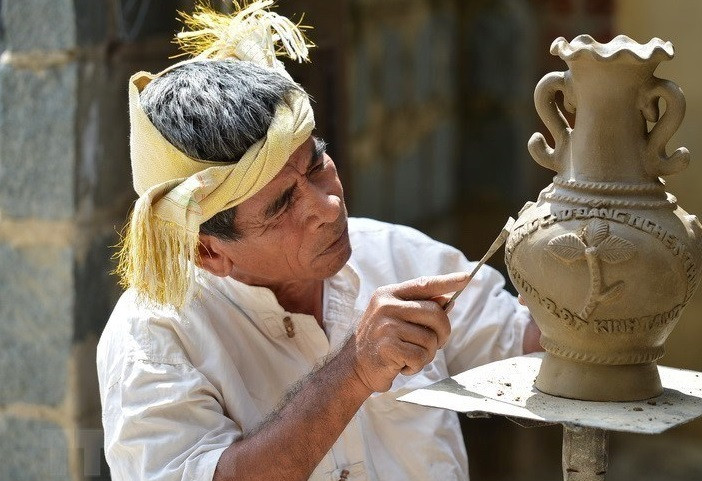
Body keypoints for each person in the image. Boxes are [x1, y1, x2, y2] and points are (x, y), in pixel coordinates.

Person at [97, 3, 541, 480]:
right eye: (282, 205)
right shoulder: (154, 340)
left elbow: (533, 344)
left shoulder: (399, 257)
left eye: (316, 165)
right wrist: (353, 370)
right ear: (208, 252)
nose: (329, 207)